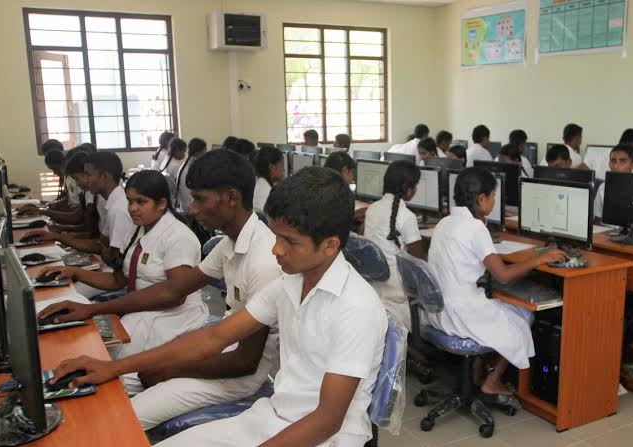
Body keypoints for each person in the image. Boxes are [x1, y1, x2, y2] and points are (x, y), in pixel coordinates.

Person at [47, 167, 387, 446]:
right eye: (276, 237)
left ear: (329, 246)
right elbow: (212, 339)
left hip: (326, 438)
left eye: (289, 242)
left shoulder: (357, 307)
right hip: (272, 418)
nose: (276, 250)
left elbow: (327, 421)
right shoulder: (290, 283)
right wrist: (114, 369)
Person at [41, 149, 281, 428]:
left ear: (231, 198)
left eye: (201, 200)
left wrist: (170, 369)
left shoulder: (264, 258)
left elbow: (244, 362)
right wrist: (91, 309)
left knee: (119, 420)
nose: (193, 209)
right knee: (107, 384)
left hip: (235, 377)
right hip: (216, 351)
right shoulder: (230, 243)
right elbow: (172, 289)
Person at [37, 170, 208, 391]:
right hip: (141, 311)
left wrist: (97, 309)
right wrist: (75, 272)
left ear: (162, 203)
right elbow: (119, 280)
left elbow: (174, 296)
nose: (133, 208)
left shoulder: (178, 237)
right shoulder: (139, 229)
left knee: (118, 379)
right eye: (130, 201)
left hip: (171, 319)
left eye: (141, 202)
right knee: (90, 356)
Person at [424, 167, 565, 398]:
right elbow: (503, 276)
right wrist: (540, 258)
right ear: (481, 199)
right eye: (493, 196)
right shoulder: (475, 228)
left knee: (504, 307)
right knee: (524, 315)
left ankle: (477, 374)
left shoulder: (445, 222)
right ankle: (492, 381)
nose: (494, 201)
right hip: (461, 313)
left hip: (439, 310)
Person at [31, 152, 135, 262]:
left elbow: (112, 256)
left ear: (104, 176)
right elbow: (101, 243)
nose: (87, 180)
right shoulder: (113, 202)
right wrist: (59, 237)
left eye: (88, 174)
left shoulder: (118, 209)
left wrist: (61, 237)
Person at [362, 160, 427, 328]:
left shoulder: (372, 208)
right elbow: (418, 264)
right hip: (399, 295)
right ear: (409, 190)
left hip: (376, 289)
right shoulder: (407, 217)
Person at [594, 144, 633, 222]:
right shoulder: (603, 187)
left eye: (622, 161)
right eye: (613, 160)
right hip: (607, 231)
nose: (615, 166)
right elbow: (597, 219)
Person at [174, 137, 208, 212]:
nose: (205, 155)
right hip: (190, 209)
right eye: (204, 152)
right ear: (197, 153)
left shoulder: (187, 164)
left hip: (185, 205)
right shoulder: (190, 169)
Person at [252, 146, 286, 213]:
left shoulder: (258, 186)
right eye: (282, 165)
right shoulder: (269, 196)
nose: (284, 169)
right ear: (272, 167)